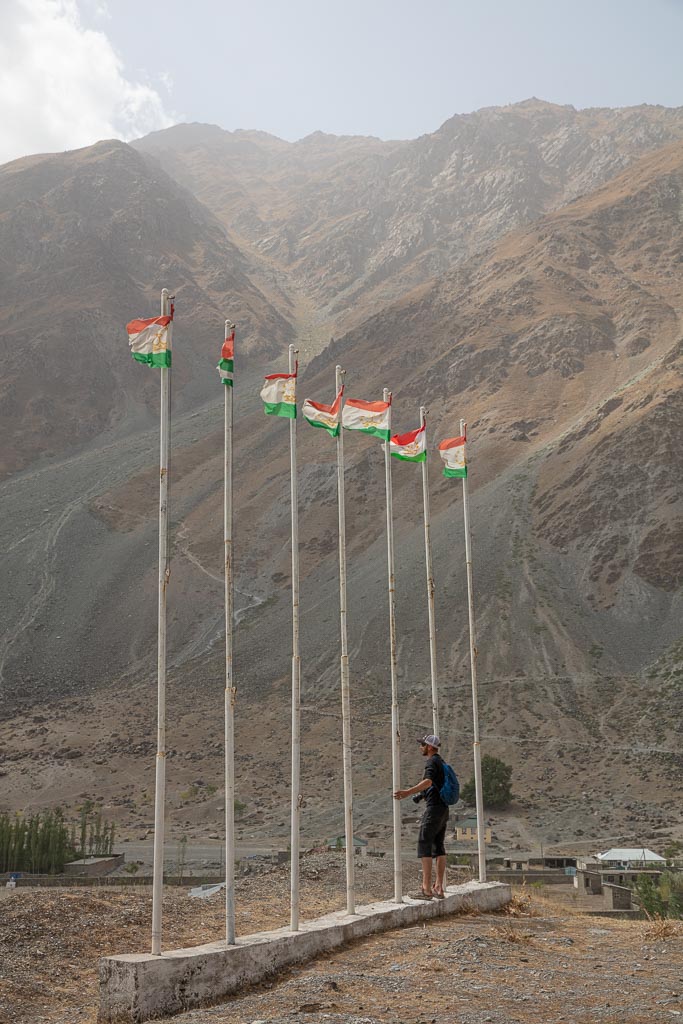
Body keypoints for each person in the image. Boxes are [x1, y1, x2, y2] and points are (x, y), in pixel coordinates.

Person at [393, 734, 448, 900]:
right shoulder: (441, 762)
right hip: (443, 809)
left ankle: (426, 889)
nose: (420, 747)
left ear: (430, 747)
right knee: (438, 846)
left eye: (423, 744)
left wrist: (407, 792)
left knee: (424, 844)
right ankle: (439, 887)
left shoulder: (432, 762)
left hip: (433, 809)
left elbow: (428, 782)